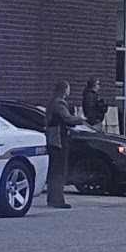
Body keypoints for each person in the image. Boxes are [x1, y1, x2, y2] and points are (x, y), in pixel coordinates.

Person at [45, 81, 77, 209]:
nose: (69, 91)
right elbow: (68, 118)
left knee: (55, 170)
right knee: (59, 170)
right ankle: (57, 199)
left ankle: (52, 197)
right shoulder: (59, 103)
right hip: (58, 140)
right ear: (64, 89)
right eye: (68, 88)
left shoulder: (53, 102)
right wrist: (81, 118)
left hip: (54, 139)